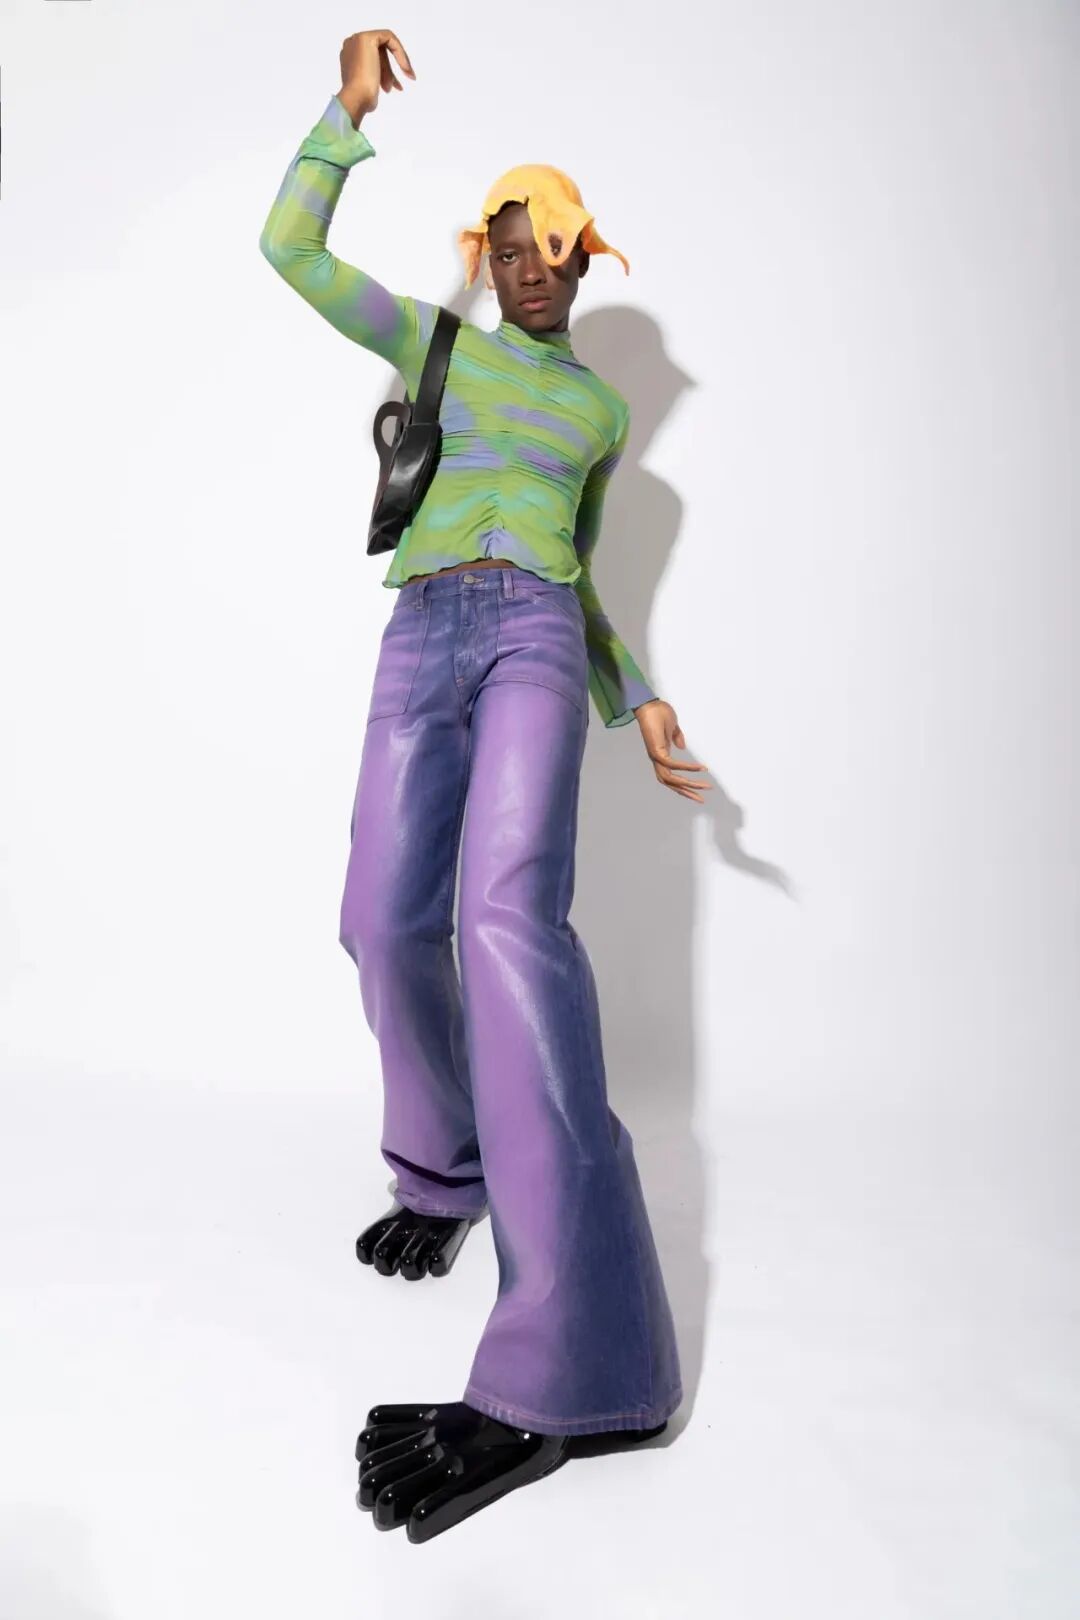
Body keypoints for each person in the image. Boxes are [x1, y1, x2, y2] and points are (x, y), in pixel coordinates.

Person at [259, 27, 711, 1542]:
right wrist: (344, 112)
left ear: (584, 258)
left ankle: (579, 1369)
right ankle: (444, 1170)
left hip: (530, 638)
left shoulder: (598, 417)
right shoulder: (432, 347)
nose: (532, 269)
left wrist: (635, 695)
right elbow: (289, 248)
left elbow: (579, 575)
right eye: (511, 249)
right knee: (383, 921)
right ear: (487, 258)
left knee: (509, 928)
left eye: (554, 250)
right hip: (421, 633)